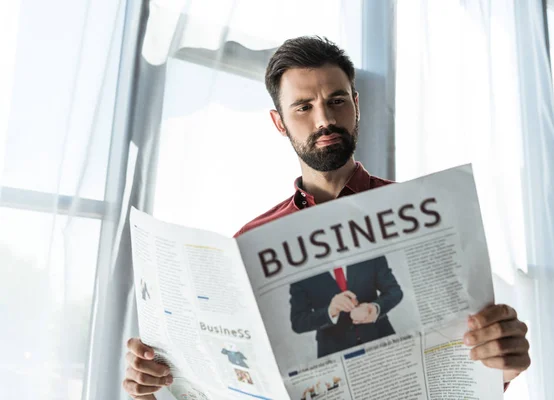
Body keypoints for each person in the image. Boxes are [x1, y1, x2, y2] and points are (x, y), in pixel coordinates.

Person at [123, 36, 531, 399]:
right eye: (303, 107)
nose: (324, 120)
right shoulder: (250, 241)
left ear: (356, 105)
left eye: (336, 100)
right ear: (279, 123)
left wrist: (505, 361)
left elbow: (472, 354)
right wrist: (151, 390)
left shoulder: (426, 214)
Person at [290, 256, 402, 357]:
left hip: (380, 337)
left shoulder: (368, 253)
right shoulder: (301, 271)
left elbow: (394, 291)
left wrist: (375, 308)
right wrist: (330, 312)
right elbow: (298, 322)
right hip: (334, 349)